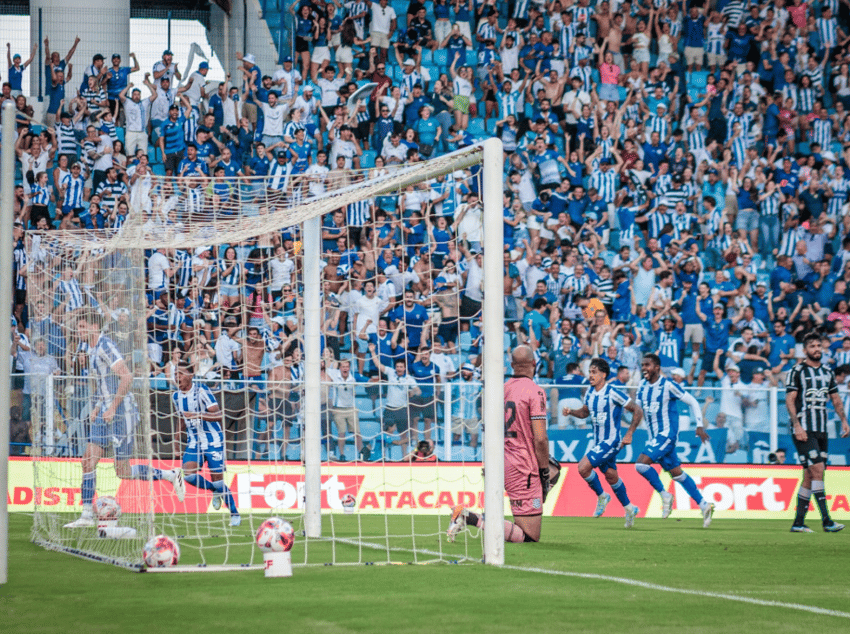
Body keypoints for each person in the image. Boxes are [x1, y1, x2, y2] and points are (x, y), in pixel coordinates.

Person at [64, 308, 185, 528]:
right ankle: (86, 515)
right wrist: (99, 406)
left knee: (123, 471)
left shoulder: (105, 345)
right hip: (105, 413)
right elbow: (106, 382)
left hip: (122, 413)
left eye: (82, 326)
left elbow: (126, 377)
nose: (78, 330)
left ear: (94, 327)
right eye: (78, 326)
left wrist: (112, 408)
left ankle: (169, 474)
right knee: (87, 460)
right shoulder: (89, 349)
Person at [447, 345, 550, 543]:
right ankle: (468, 516)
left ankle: (472, 516)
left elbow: (489, 429)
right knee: (529, 536)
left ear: (511, 365)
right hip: (523, 465)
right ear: (534, 365)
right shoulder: (535, 392)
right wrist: (543, 472)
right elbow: (540, 438)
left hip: (501, 460)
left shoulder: (500, 390)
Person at [634, 353, 715, 528]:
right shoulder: (642, 386)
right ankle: (704, 505)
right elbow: (637, 410)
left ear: (657, 367)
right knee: (677, 474)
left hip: (666, 434)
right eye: (643, 365)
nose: (644, 368)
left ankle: (665, 495)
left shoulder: (668, 385)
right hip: (654, 437)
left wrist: (699, 425)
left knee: (641, 465)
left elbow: (692, 401)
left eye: (647, 365)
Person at [562, 358, 643, 528]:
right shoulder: (590, 393)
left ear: (604, 374)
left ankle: (602, 496)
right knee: (611, 476)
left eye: (594, 372)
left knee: (583, 467)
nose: (590, 375)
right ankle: (629, 508)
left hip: (611, 441)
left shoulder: (613, 392)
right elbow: (585, 413)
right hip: (598, 442)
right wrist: (571, 412)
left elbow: (637, 409)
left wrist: (629, 433)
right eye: (589, 372)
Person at [786, 332, 850, 533]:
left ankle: (798, 523)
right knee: (818, 470)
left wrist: (844, 420)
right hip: (804, 428)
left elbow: (836, 399)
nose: (816, 349)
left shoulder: (828, 372)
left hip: (822, 429)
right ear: (805, 350)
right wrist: (797, 425)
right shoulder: (796, 371)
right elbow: (790, 399)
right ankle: (827, 521)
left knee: (809, 474)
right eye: (812, 346)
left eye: (818, 346)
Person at [172, 361, 240, 526]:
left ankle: (234, 514)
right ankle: (214, 490)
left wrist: (197, 415)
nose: (177, 377)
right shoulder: (176, 396)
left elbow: (218, 415)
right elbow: (182, 418)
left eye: (180, 373)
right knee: (188, 475)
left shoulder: (201, 390)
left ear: (190, 375)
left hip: (213, 440)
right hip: (194, 442)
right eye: (175, 374)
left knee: (218, 479)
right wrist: (176, 440)